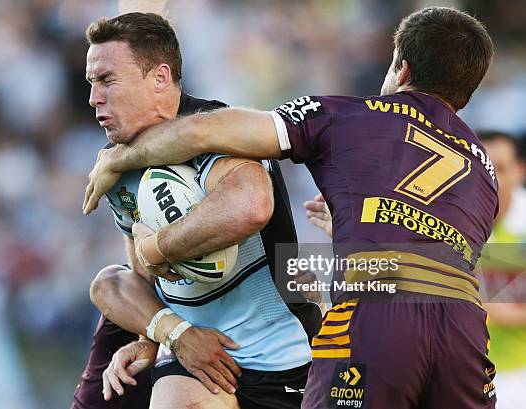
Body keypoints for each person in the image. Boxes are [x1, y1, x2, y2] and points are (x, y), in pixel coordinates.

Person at [82, 6, 499, 409]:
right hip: (463, 325)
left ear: (401, 68)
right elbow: (422, 259)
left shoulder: (349, 115)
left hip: (374, 320)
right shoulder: (484, 169)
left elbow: (206, 132)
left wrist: (118, 161)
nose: (95, 97)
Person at [74, 12, 320, 409]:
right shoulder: (115, 166)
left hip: (287, 357)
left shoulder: (218, 131)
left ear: (159, 78)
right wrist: (157, 337)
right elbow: (139, 269)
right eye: (92, 83)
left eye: (107, 81)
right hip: (198, 357)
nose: (94, 98)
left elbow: (251, 207)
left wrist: (159, 249)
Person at [476, 131, 526, 409]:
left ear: (520, 171)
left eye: (500, 169)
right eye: (484, 167)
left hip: (519, 375)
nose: (491, 178)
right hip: (465, 374)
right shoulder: (451, 220)